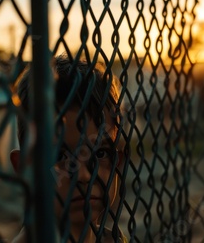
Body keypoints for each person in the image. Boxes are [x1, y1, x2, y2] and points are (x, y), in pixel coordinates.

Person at [9, 55, 128, 243]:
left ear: (117, 161)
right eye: (58, 155)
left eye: (100, 153)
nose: (84, 176)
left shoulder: (115, 239)